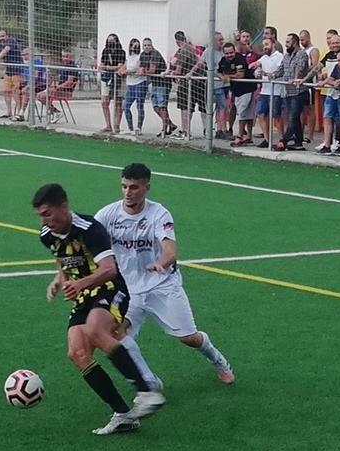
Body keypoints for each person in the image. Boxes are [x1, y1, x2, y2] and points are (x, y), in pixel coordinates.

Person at [32, 183, 165, 435]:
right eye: (40, 215)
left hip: (110, 288)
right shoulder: (47, 235)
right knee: (77, 352)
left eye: (48, 213)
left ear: (63, 206)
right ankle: (123, 414)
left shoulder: (90, 228)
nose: (44, 220)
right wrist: (58, 279)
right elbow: (63, 259)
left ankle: (147, 391)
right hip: (84, 296)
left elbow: (109, 269)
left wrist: (79, 283)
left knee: (95, 329)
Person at [95, 163, 235, 387]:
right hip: (127, 290)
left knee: (189, 338)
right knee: (116, 335)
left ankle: (218, 360)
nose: (128, 193)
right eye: (124, 187)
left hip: (162, 286)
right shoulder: (107, 214)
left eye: (134, 187)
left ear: (147, 187)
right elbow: (90, 242)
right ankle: (150, 383)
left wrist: (161, 263)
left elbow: (170, 249)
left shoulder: (159, 214)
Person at [253, 36, 285, 148]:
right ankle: (267, 139)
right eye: (264, 45)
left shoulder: (280, 57)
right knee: (260, 113)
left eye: (267, 44)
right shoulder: (264, 57)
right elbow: (255, 65)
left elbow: (278, 72)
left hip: (276, 91)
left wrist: (264, 73)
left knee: (276, 116)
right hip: (265, 91)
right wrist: (256, 69)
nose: (265, 47)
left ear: (273, 45)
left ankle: (282, 139)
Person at [140, 38, 175, 137]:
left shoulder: (155, 54)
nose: (147, 47)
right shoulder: (142, 55)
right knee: (155, 107)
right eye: (145, 45)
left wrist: (143, 71)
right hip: (154, 83)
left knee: (162, 107)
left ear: (152, 45)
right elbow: (140, 67)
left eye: (148, 45)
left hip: (163, 83)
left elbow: (152, 70)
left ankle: (164, 129)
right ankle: (170, 124)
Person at [223, 42, 256, 146]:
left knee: (243, 113)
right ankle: (249, 136)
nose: (229, 55)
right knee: (245, 112)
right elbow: (218, 71)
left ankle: (240, 136)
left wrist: (227, 77)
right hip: (237, 90)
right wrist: (221, 76)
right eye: (227, 53)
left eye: (231, 52)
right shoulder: (223, 61)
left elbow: (240, 75)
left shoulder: (239, 59)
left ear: (235, 51)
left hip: (247, 88)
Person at [98, 34, 125, 134]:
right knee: (104, 102)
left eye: (113, 41)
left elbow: (120, 67)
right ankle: (108, 125)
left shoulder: (121, 52)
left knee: (118, 102)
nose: (111, 43)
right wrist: (107, 67)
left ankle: (116, 125)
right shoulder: (105, 51)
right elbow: (101, 65)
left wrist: (107, 67)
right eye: (109, 41)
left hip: (118, 79)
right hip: (106, 79)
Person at [121, 38, 147, 135]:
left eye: (137, 46)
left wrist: (127, 71)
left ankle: (138, 128)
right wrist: (121, 70)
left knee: (139, 106)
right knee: (125, 106)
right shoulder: (129, 57)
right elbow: (124, 67)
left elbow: (137, 68)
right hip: (130, 84)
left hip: (139, 83)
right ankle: (130, 128)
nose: (135, 47)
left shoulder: (140, 56)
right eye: (133, 45)